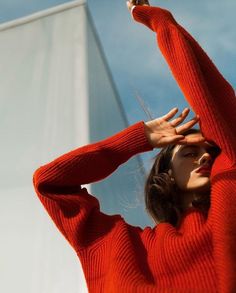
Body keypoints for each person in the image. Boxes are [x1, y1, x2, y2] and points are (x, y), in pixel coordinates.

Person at [33, 1, 236, 292]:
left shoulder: (228, 203)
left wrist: (158, 20)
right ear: (163, 173)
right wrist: (138, 139)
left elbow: (215, 99)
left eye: (210, 152)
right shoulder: (121, 245)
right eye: (189, 152)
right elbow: (50, 182)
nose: (204, 156)